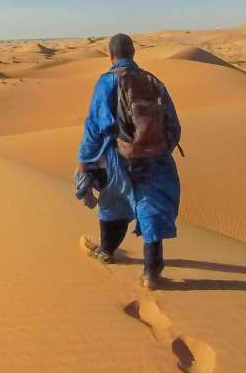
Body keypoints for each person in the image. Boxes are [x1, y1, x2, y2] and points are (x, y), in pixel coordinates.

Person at [77, 33, 182, 289]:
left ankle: (107, 251)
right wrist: (158, 150)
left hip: (117, 158)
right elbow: (174, 125)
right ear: (133, 53)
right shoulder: (153, 81)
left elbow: (94, 126)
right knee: (151, 206)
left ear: (111, 56)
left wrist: (85, 162)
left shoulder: (106, 82)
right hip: (155, 159)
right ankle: (151, 271)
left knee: (113, 205)